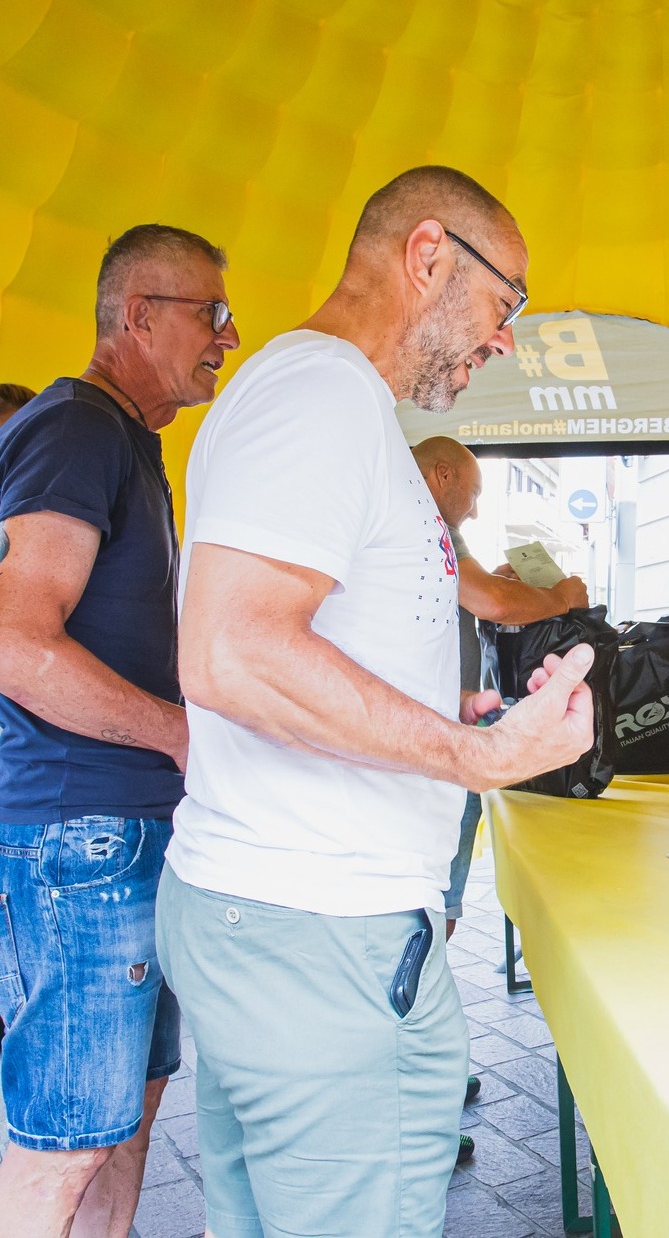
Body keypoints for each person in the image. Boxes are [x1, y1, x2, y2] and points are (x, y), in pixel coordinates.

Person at [155, 166, 597, 1238]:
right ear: (429, 255)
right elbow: (230, 650)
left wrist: (466, 717)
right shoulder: (318, 398)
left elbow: (320, 647)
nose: (505, 338)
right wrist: (474, 758)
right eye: (506, 301)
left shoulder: (330, 404)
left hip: (288, 928)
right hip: (323, 938)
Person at [0, 225, 239, 1238]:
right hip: (81, 836)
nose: (229, 336)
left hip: (125, 833)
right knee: (66, 1141)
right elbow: (14, 640)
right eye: (211, 312)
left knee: (124, 1119)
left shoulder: (127, 441)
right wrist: (179, 734)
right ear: (138, 315)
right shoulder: (76, 428)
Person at [412, 433, 588, 937]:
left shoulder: (401, 520)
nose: (474, 510)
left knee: (432, 898)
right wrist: (561, 599)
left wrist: (488, 579)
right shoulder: (427, 518)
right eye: (473, 494)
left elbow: (464, 593)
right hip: (436, 733)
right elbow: (491, 602)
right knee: (436, 899)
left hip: (437, 718)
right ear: (442, 475)